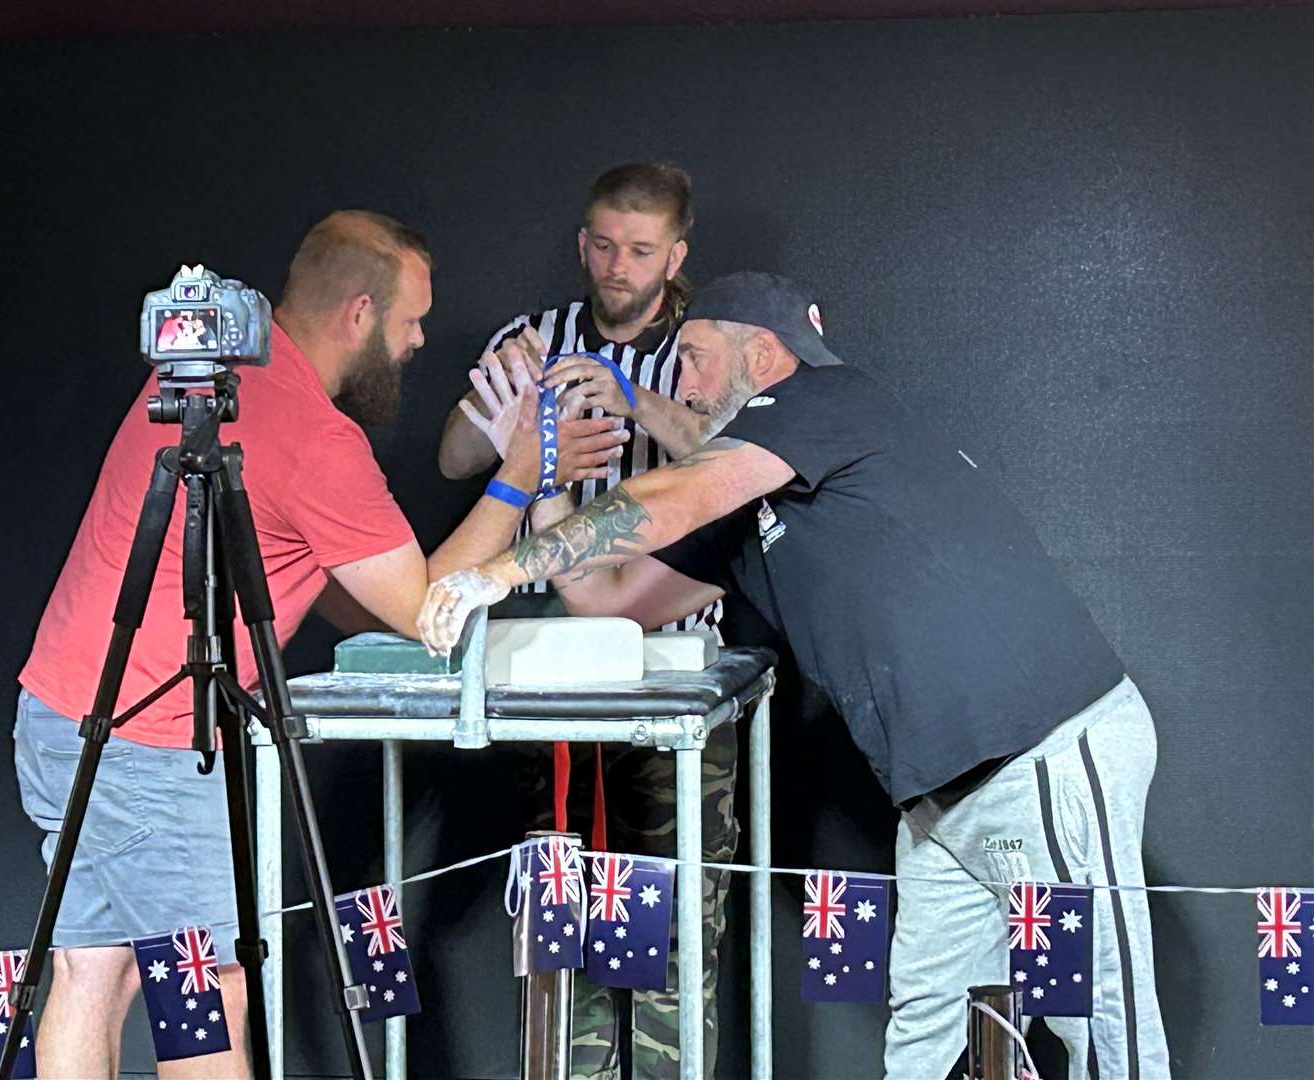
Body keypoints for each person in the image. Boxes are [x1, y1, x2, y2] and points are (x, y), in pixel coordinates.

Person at [417, 271, 1171, 1080]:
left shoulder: (824, 400)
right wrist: (542, 485)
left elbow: (673, 491)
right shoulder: (746, 506)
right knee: (926, 1030)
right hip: (943, 792)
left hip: (1038, 748)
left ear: (765, 354)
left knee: (1097, 1017)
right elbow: (611, 604)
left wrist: (494, 574)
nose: (687, 384)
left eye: (700, 360)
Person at [13, 210, 627, 1078]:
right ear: (360, 313)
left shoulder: (211, 382)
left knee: (91, 967)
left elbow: (351, 602)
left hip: (58, 714)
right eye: (411, 321)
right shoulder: (311, 435)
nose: (418, 343)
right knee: (204, 986)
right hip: (152, 742)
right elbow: (422, 611)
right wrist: (524, 473)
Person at [437, 162, 739, 1080]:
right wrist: (520, 428)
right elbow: (452, 455)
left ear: (676, 253)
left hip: (671, 653)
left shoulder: (706, 344)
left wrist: (634, 398)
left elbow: (743, 455)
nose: (618, 265)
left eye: (641, 250)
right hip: (555, 659)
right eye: (604, 244)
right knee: (560, 892)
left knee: (675, 900)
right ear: (581, 241)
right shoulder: (535, 336)